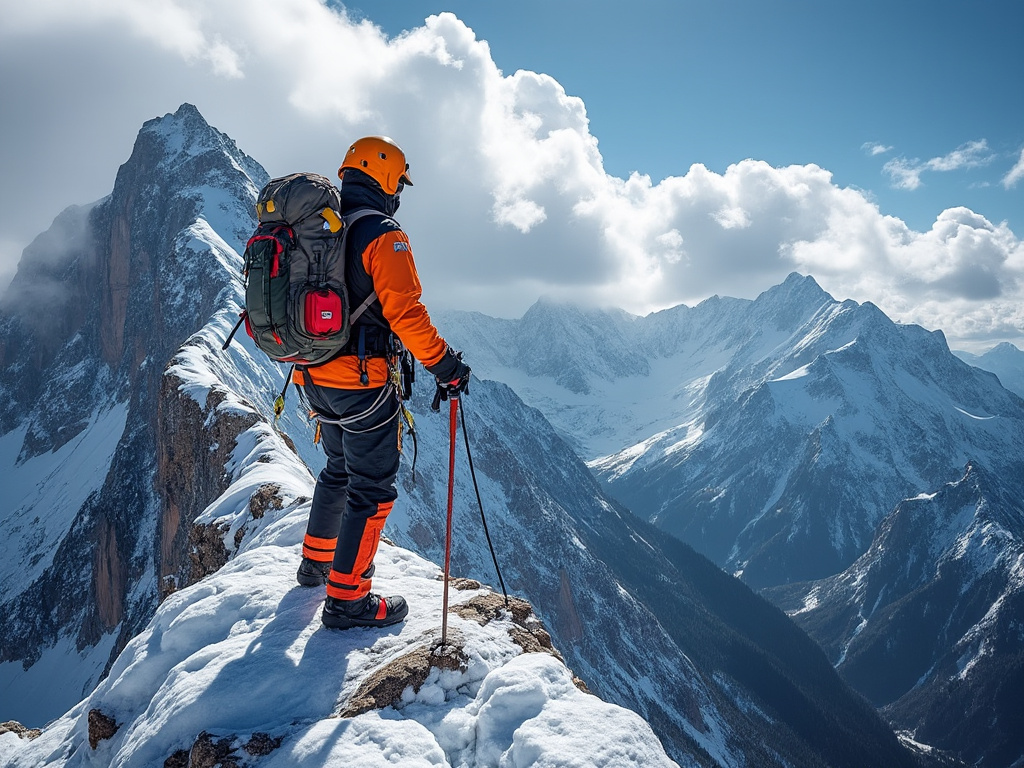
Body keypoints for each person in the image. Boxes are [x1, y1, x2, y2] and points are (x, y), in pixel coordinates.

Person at [293, 136, 470, 630]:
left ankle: (316, 564)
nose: (400, 194)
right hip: (362, 382)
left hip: (314, 374)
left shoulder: (319, 230)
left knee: (337, 468)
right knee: (371, 488)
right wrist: (445, 366)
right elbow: (406, 314)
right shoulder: (382, 234)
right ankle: (348, 601)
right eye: (399, 184)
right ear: (385, 177)